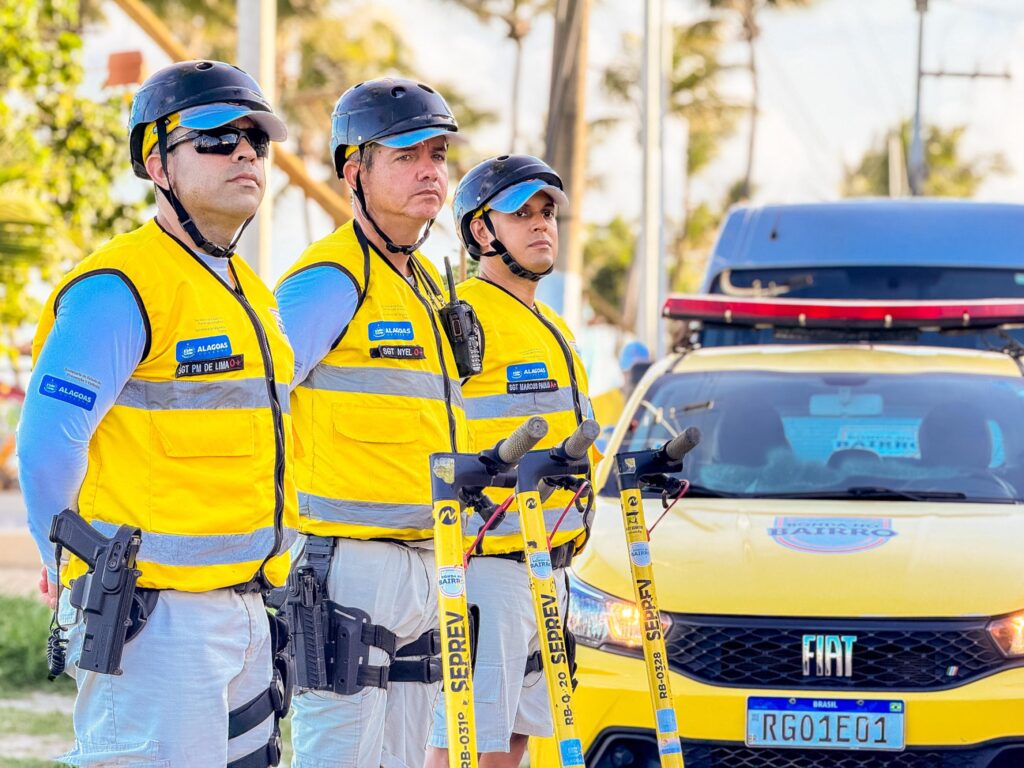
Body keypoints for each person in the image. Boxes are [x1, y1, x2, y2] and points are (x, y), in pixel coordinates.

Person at [17, 59, 297, 767]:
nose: (242, 152)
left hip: (244, 609)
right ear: (156, 162)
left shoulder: (252, 295)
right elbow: (48, 444)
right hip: (155, 619)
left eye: (254, 141)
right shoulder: (120, 287)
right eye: (214, 137)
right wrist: (74, 565)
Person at [275, 77, 469, 768]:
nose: (430, 171)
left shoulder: (423, 285)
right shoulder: (330, 279)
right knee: (340, 756)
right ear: (353, 171)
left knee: (409, 757)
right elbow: (256, 403)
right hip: (350, 566)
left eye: (438, 154)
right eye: (406, 155)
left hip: (426, 560)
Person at [425, 154, 595, 768]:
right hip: (487, 563)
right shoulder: (462, 318)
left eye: (547, 212)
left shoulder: (551, 324)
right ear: (481, 232)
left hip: (547, 566)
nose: (542, 224)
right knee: (465, 744)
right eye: (521, 213)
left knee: (515, 743)